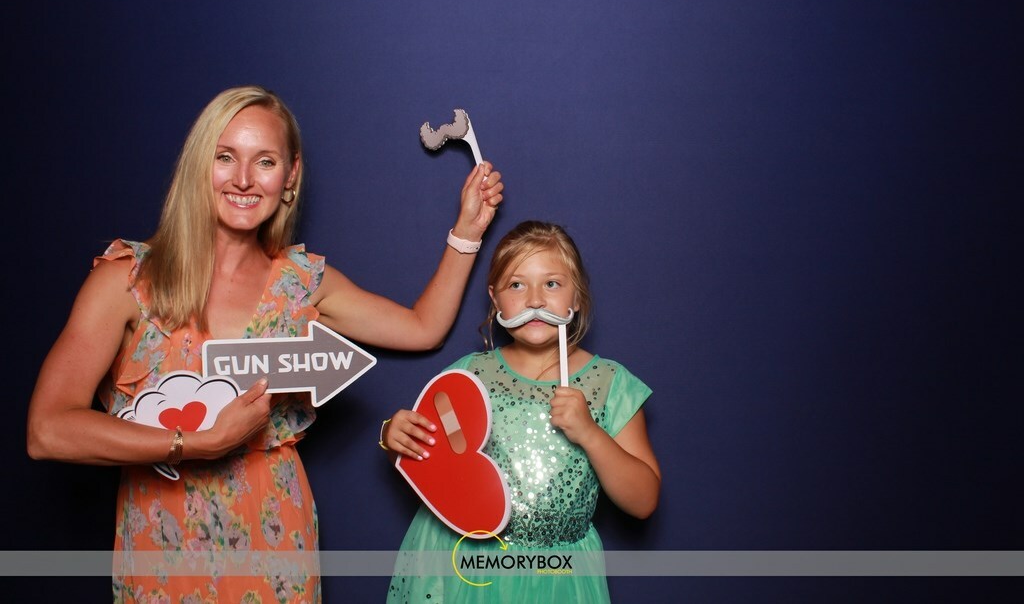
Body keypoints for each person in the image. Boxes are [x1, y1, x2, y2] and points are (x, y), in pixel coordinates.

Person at [26, 85, 504, 603]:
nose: (244, 179)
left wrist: (468, 228)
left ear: (290, 175)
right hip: (164, 543)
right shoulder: (128, 280)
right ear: (199, 165)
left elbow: (421, 327)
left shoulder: (301, 283)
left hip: (276, 541)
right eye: (225, 157)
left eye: (266, 161)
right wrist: (196, 443)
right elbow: (48, 431)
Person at [382, 220, 660, 602]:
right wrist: (395, 436)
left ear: (577, 297)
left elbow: (643, 502)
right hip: (466, 572)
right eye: (516, 285)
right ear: (495, 300)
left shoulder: (610, 384)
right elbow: (437, 461)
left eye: (552, 284)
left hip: (557, 578)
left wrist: (590, 434)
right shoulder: (468, 376)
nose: (535, 301)